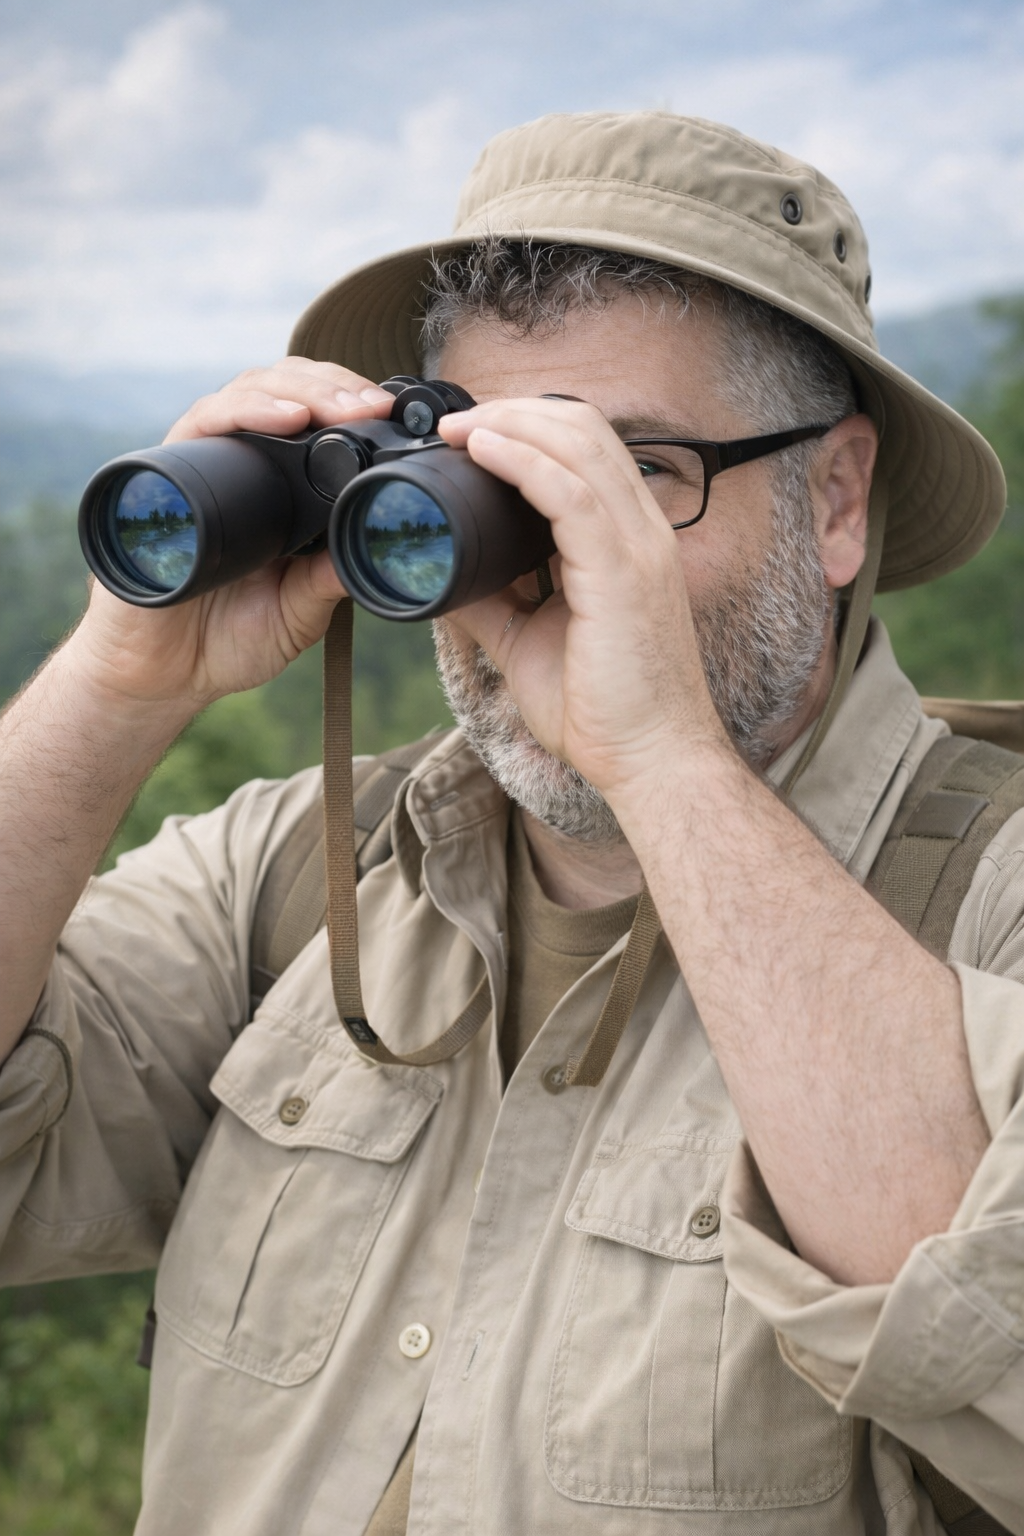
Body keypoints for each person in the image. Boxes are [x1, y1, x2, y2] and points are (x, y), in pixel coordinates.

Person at [0, 110, 1020, 1536]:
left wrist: (660, 754)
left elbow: (990, 1333)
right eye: (498, 486)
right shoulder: (306, 877)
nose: (553, 555)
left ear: (835, 498)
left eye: (636, 474)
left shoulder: (993, 900)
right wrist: (121, 676)